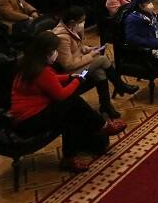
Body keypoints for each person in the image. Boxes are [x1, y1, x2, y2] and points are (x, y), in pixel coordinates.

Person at [10, 31, 125, 173]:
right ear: (46, 52)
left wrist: (69, 77)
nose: (56, 54)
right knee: (71, 102)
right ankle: (102, 127)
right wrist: (77, 80)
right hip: (28, 121)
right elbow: (61, 95)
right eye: (54, 51)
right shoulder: (41, 70)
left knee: (71, 113)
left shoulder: (30, 64)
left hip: (30, 116)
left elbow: (51, 80)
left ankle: (74, 154)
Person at [52, 7, 136, 118]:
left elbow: (78, 47)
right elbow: (68, 65)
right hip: (72, 73)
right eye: (81, 21)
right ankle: (120, 86)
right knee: (102, 59)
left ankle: (106, 106)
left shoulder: (71, 28)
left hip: (80, 64)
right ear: (72, 21)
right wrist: (90, 56)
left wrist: (89, 49)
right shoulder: (62, 37)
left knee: (100, 72)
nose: (83, 23)